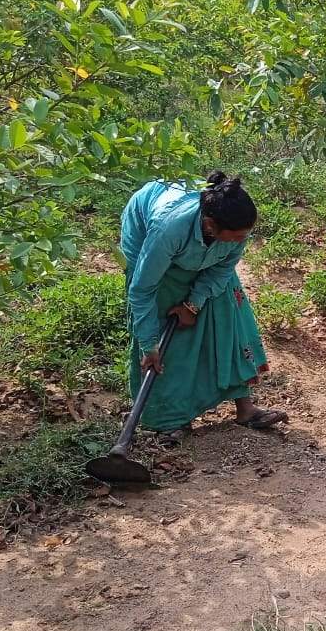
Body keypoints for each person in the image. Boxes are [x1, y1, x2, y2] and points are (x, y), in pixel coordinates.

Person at [120, 172, 288, 439]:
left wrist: (193, 304)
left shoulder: (236, 231)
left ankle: (245, 408)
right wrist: (149, 343)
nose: (241, 241)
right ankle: (169, 420)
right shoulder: (168, 229)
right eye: (235, 237)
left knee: (228, 317)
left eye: (245, 235)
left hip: (201, 256)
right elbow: (142, 290)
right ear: (210, 225)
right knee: (166, 338)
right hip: (149, 250)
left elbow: (222, 270)